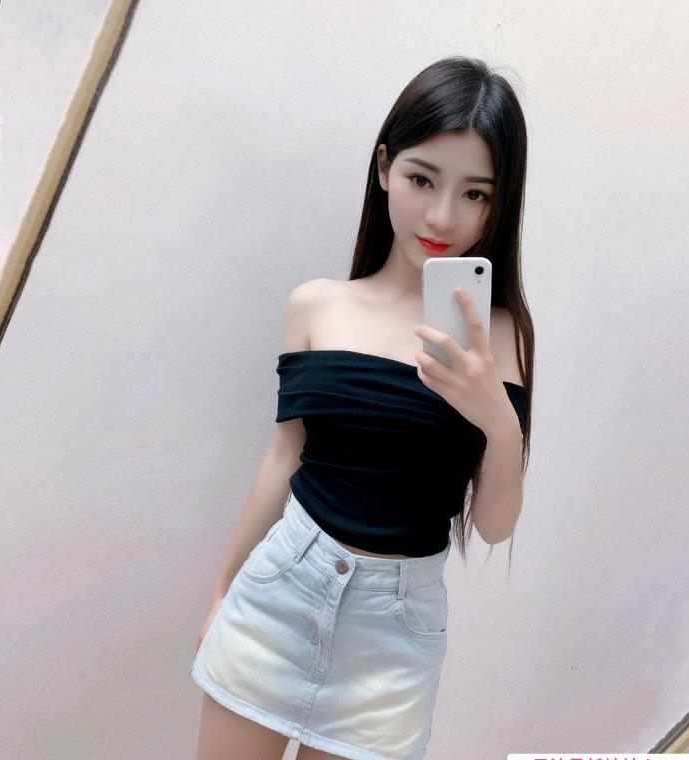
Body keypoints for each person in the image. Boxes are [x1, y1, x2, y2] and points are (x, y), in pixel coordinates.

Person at [190, 55, 534, 760]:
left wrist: (497, 420)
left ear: (500, 204)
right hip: (277, 594)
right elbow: (284, 459)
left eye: (475, 193)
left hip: (395, 637)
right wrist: (222, 590)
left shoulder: (502, 338)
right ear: (383, 167)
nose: (442, 216)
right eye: (421, 179)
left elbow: (494, 527)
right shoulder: (316, 306)